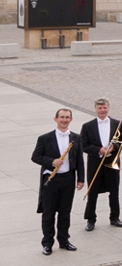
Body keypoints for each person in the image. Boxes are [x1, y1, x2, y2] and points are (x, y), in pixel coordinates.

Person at [33, 108, 85, 254]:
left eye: (67, 117)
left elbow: (80, 159)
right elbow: (36, 157)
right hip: (50, 181)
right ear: (55, 119)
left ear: (71, 120)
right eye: (61, 117)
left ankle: (64, 240)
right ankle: (47, 243)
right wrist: (52, 161)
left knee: (65, 213)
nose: (64, 120)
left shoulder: (76, 138)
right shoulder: (45, 138)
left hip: (68, 179)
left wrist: (81, 179)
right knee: (48, 213)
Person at [81, 98, 122, 232]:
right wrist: (99, 150)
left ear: (108, 108)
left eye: (104, 108)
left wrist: (114, 147)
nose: (102, 110)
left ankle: (114, 217)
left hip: (112, 161)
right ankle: (91, 219)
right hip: (95, 162)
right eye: (100, 108)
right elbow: (84, 145)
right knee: (92, 191)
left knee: (114, 191)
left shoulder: (118, 124)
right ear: (95, 109)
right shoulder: (87, 126)